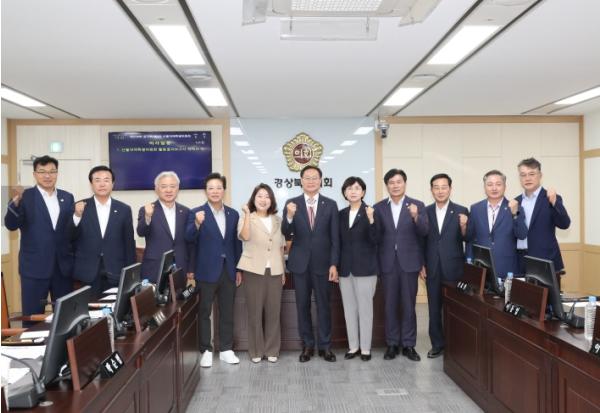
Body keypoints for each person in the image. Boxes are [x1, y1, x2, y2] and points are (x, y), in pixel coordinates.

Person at [4, 155, 74, 321]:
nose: (47, 175)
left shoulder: (67, 197)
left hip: (62, 269)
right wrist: (14, 203)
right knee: (32, 318)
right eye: (42, 172)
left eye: (52, 171)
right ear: (34, 174)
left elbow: (71, 230)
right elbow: (11, 225)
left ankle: (62, 340)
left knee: (65, 318)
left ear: (57, 173)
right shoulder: (24, 197)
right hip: (34, 268)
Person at [281, 165, 340, 363]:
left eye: (315, 177)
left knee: (324, 306)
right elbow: (286, 232)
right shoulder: (292, 204)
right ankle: (307, 345)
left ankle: (325, 346)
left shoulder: (330, 205)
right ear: (301, 180)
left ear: (321, 180)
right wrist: (289, 216)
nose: (311, 181)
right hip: (300, 265)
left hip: (324, 265)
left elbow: (335, 239)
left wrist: (334, 264)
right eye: (307, 177)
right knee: (302, 306)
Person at [185, 172, 242, 367]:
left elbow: (236, 244)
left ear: (224, 190)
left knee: (227, 311)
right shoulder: (196, 213)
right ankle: (206, 350)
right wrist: (196, 223)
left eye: (218, 188)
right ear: (205, 191)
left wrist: (238, 269)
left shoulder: (233, 214)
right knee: (204, 312)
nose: (215, 191)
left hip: (228, 270)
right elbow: (189, 239)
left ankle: (226, 349)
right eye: (211, 188)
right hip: (206, 270)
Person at [374, 168, 428, 362]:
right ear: (386, 186)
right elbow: (376, 238)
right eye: (391, 182)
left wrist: (416, 216)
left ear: (405, 184)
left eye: (399, 182)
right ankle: (391, 344)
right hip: (387, 263)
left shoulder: (417, 205)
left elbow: (424, 232)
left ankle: (408, 344)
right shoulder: (379, 208)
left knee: (408, 305)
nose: (395, 186)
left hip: (409, 263)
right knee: (389, 305)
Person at [69, 165, 136, 299]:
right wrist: (76, 216)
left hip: (115, 271)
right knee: (90, 310)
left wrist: (131, 273)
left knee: (114, 309)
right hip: (87, 272)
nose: (102, 184)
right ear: (91, 184)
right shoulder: (79, 207)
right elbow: (70, 237)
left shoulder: (124, 209)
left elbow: (128, 243)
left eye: (106, 180)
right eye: (97, 180)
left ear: (112, 184)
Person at [237, 183, 285, 363]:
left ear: (271, 200)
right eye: (260, 196)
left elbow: (280, 247)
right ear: (254, 199)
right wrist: (247, 214)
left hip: (275, 270)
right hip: (253, 270)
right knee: (255, 313)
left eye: (267, 196)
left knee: (274, 312)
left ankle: (272, 350)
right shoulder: (246, 217)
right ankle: (256, 351)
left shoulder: (278, 220)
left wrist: (282, 270)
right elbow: (245, 236)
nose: (263, 200)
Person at [422, 173, 469, 359]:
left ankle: (455, 344)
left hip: (454, 267)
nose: (440, 191)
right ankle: (437, 344)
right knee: (434, 308)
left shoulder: (461, 210)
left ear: (450, 189)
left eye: (444, 187)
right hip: (432, 267)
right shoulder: (425, 211)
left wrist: (464, 226)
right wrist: (421, 264)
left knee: (454, 308)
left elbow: (467, 238)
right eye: (436, 187)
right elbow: (420, 241)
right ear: (431, 190)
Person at [338, 176, 378, 362]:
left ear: (363, 192)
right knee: (349, 310)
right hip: (345, 270)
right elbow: (337, 243)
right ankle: (353, 346)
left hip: (366, 269)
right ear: (344, 193)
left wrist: (371, 220)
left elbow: (376, 239)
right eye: (349, 188)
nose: (353, 191)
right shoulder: (340, 215)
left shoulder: (371, 212)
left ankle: (365, 349)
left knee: (365, 310)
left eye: (356, 188)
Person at [515, 158, 570, 289]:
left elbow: (564, 224)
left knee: (549, 301)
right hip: (521, 262)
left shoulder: (550, 198)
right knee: (524, 300)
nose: (527, 178)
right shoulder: (516, 202)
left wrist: (554, 202)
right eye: (523, 175)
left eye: (532, 174)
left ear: (540, 175)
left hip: (545, 261)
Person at [466, 170, 527, 279]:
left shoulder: (515, 207)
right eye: (490, 184)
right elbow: (470, 239)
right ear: (484, 187)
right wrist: (470, 264)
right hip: (482, 268)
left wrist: (515, 214)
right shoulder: (475, 209)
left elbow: (522, 234)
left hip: (507, 268)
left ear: (505, 186)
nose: (494, 188)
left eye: (498, 184)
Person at [136, 171, 194, 283]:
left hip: (180, 268)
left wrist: (191, 268)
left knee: (179, 295)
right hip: (155, 268)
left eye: (172, 186)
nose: (168, 190)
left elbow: (190, 242)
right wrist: (148, 216)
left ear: (178, 188)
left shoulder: (186, 211)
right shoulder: (146, 209)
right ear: (156, 189)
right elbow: (141, 232)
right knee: (154, 295)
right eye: (164, 186)